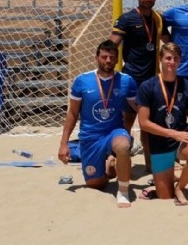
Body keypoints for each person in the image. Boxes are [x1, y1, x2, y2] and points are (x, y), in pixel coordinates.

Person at [58, 40, 137, 208]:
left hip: (114, 132)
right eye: (104, 56)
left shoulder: (127, 81)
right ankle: (109, 164)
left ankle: (123, 192)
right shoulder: (82, 81)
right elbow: (72, 113)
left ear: (117, 60)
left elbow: (137, 108)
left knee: (123, 146)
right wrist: (63, 144)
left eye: (112, 57)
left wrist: (130, 130)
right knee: (95, 184)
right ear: (96, 58)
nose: (108, 60)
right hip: (90, 136)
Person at [110, 0, 170, 173]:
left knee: (149, 125)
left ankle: (150, 165)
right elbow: (112, 46)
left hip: (151, 81)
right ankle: (119, 163)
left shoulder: (159, 19)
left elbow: (169, 43)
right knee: (126, 123)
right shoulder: (126, 19)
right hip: (131, 80)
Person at [136, 42, 188, 205]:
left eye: (175, 58)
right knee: (164, 197)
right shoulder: (147, 86)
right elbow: (143, 123)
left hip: (181, 142)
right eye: (168, 58)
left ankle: (180, 187)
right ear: (160, 59)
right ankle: (161, 185)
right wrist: (174, 134)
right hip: (159, 144)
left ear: (180, 61)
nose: (171, 62)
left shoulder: (186, 84)